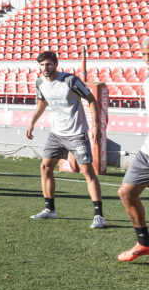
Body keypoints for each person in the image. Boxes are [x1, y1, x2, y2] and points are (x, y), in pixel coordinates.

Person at [24, 50, 105, 229]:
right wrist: (32, 122)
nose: (45, 68)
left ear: (56, 64)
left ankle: (99, 215)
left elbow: (91, 100)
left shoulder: (70, 80)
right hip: (56, 133)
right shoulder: (40, 83)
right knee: (45, 167)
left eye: (48, 64)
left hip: (77, 133)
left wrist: (96, 126)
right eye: (42, 65)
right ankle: (50, 210)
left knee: (87, 172)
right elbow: (42, 102)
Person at [117, 37, 149, 261]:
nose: (147, 59)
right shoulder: (147, 79)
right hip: (148, 152)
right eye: (144, 54)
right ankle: (144, 243)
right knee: (126, 193)